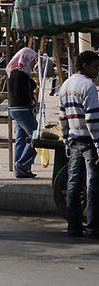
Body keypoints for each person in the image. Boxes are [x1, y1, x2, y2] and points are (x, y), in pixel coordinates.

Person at [58, 50, 99, 237]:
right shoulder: (88, 86)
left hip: (74, 140)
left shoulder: (65, 85)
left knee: (73, 183)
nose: (97, 70)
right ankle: (93, 226)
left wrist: (66, 140)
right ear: (85, 66)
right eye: (95, 66)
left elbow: (62, 118)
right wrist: (98, 145)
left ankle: (73, 226)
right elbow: (92, 119)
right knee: (92, 184)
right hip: (88, 141)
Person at [7, 47, 39, 179]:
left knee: (21, 137)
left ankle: (19, 168)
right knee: (37, 137)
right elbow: (24, 94)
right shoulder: (20, 74)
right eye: (32, 60)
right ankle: (22, 164)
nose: (33, 64)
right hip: (22, 109)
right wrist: (32, 102)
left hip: (15, 109)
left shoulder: (15, 72)